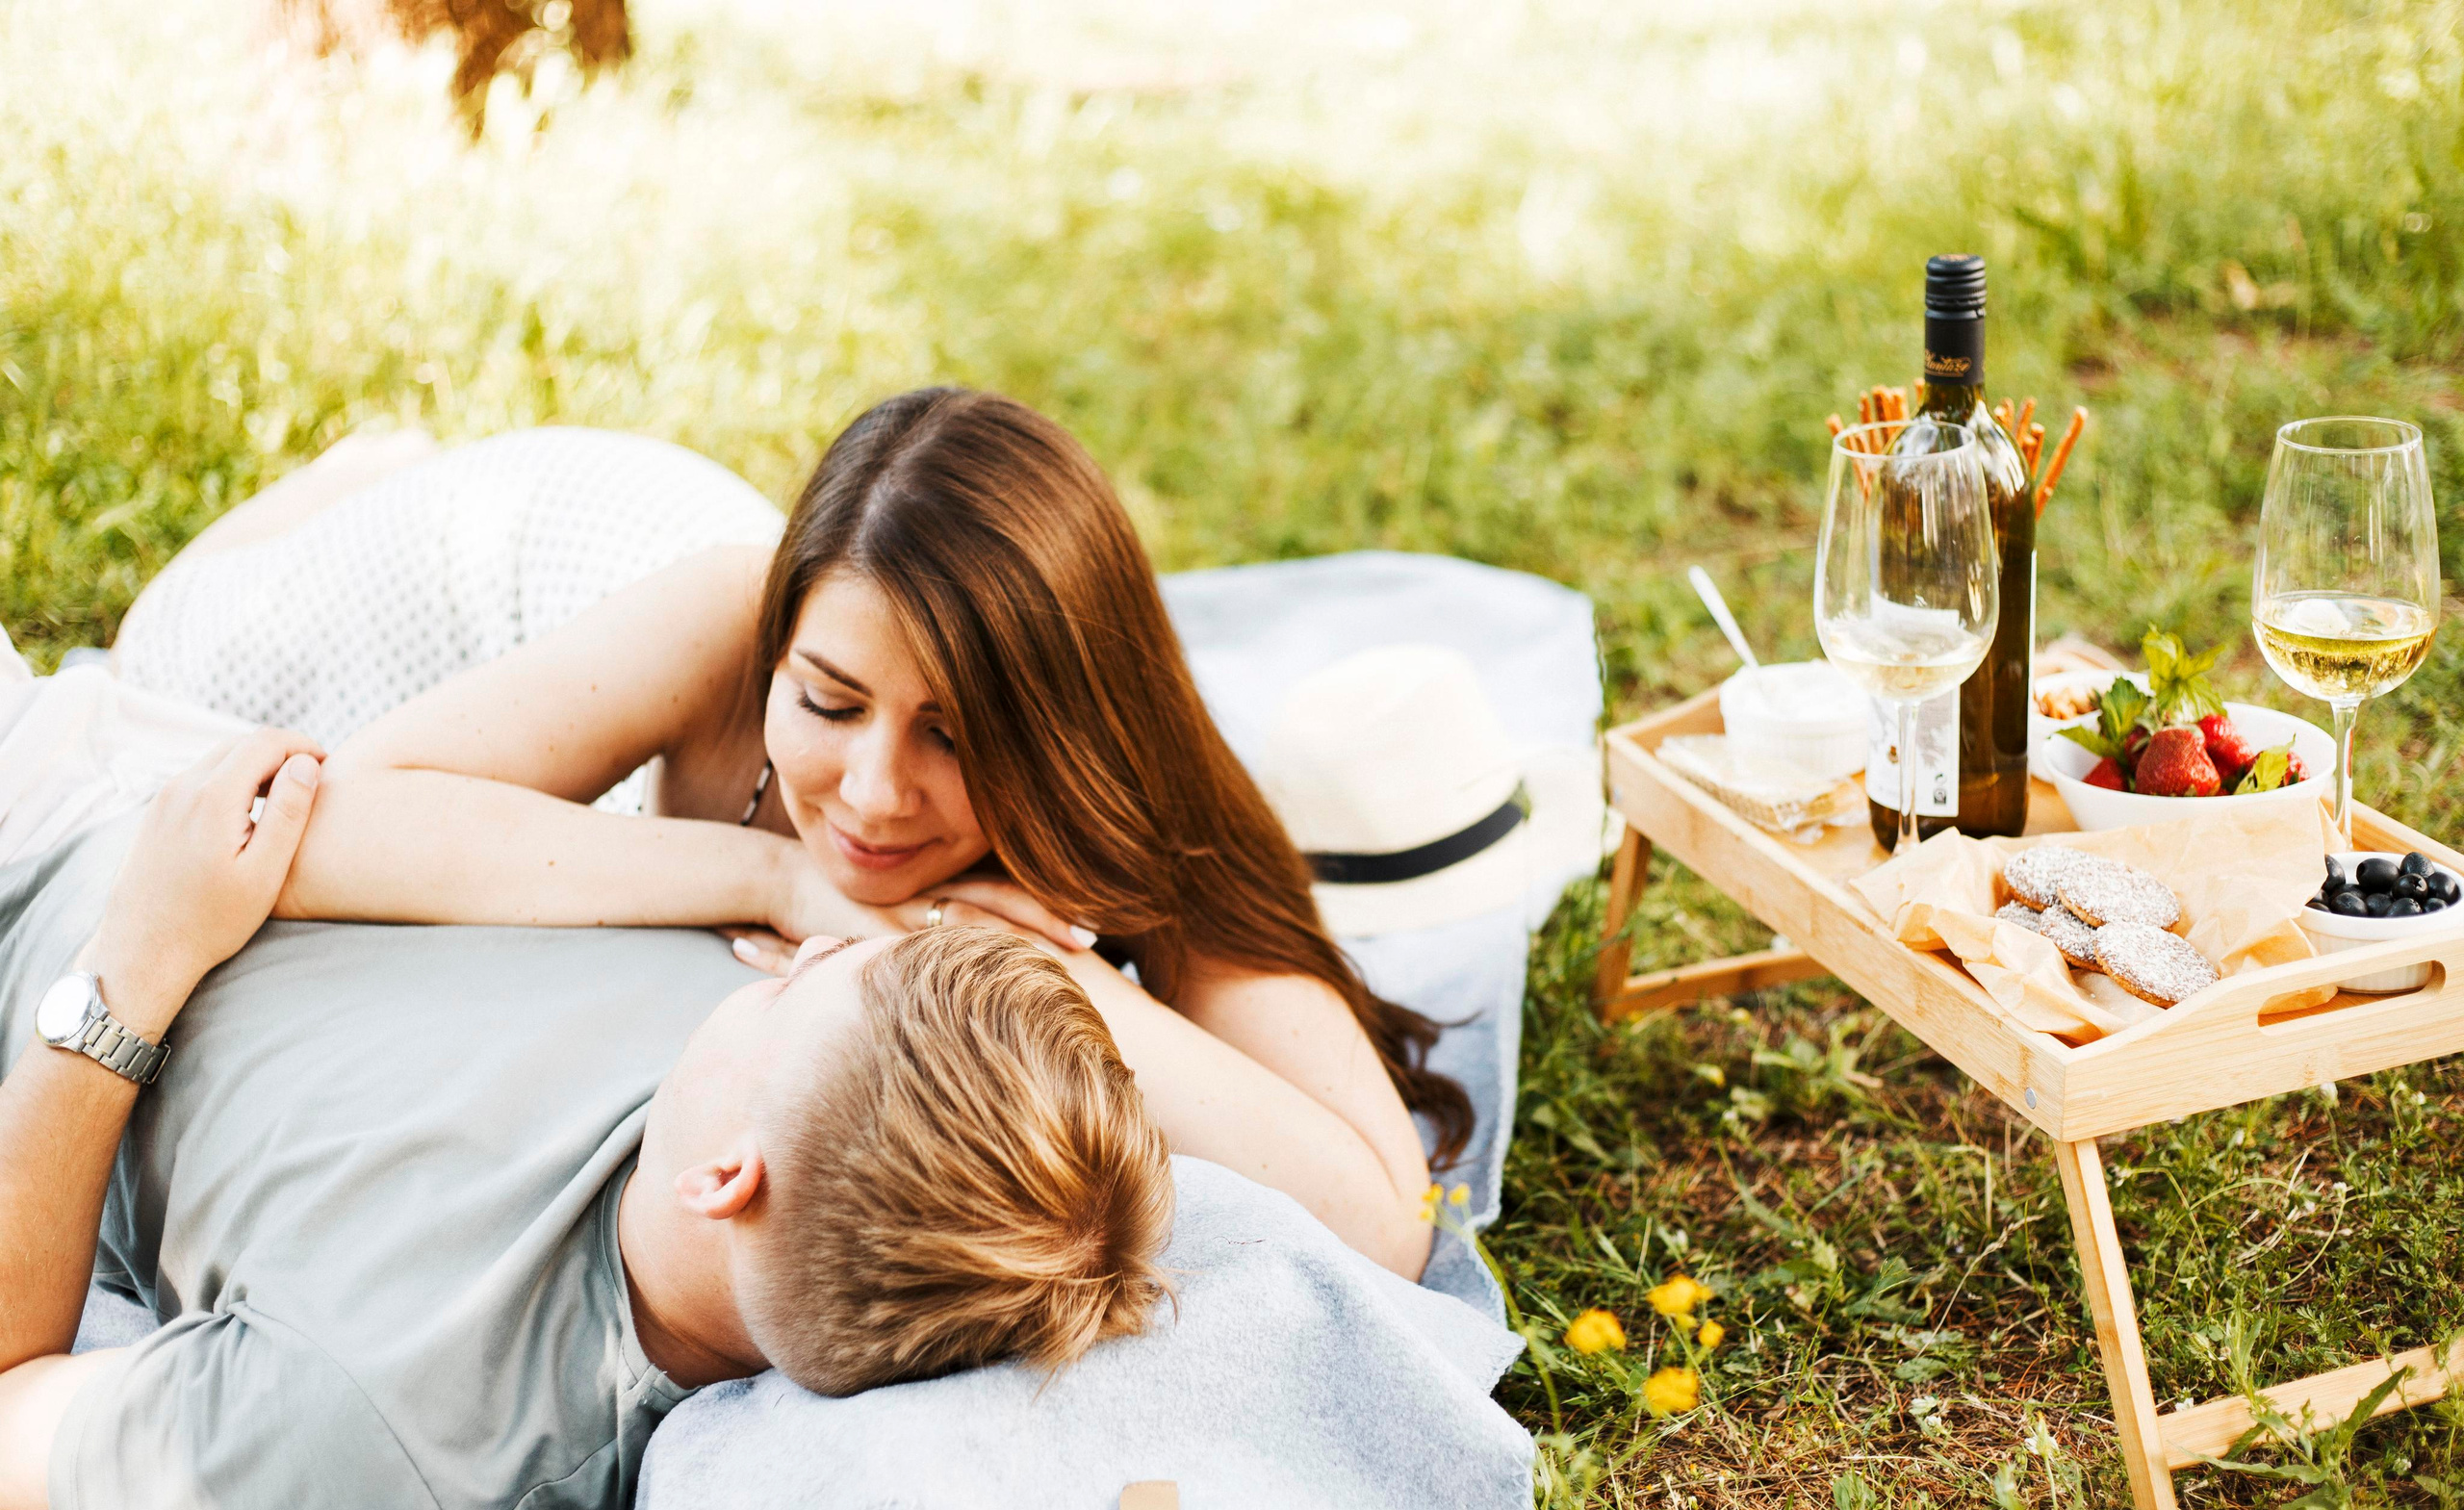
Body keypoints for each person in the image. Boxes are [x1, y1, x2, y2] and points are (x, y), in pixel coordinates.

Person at [116, 392, 1463, 1275]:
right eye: (828, 703)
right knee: (146, 665)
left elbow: (1380, 1220)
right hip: (439, 602)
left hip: (555, 631)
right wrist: (777, 872)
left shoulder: (1119, 799)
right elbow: (318, 822)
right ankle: (359, 474)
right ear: (781, 647)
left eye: (954, 732)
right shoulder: (721, 612)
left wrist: (1031, 972)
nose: (874, 794)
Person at [0, 714, 1188, 1510]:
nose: (808, 948)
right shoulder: (802, 1101)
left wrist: (133, 968)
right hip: (178, 745)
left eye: (798, 993)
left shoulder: (378, 1433)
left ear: (725, 1179)